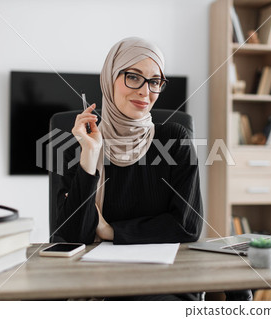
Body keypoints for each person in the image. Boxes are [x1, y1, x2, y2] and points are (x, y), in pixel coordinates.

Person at [54, 37, 251, 301]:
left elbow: (187, 225)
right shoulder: (80, 145)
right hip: (99, 282)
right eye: (133, 77)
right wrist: (90, 154)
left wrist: (109, 231)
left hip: (167, 282)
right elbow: (71, 237)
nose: (145, 91)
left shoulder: (175, 139)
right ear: (109, 78)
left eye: (155, 81)